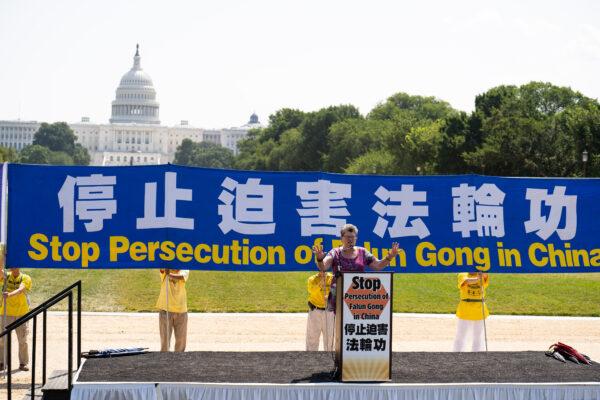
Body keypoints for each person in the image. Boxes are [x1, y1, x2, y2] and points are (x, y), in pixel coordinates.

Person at [312, 223, 399, 311]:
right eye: (347, 236)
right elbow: (323, 267)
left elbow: (378, 266)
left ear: (356, 238)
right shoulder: (335, 252)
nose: (350, 239)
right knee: (336, 323)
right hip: (337, 295)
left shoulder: (363, 252)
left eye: (353, 237)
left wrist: (390, 256)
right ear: (341, 238)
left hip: (358, 296)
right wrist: (319, 259)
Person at [0, 267, 32, 371]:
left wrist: (9, 295)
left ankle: (23, 363)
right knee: (2, 339)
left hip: (21, 313)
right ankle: (2, 362)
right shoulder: (5, 276)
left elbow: (20, 290)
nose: (13, 267)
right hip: (6, 313)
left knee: (22, 339)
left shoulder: (25, 278)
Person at [452, 272, 489, 352]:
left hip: (479, 309)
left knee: (478, 335)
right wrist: (477, 278)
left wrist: (483, 274)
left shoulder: (482, 275)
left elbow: (486, 279)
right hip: (465, 309)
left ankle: (477, 354)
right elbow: (466, 281)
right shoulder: (462, 275)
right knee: (461, 335)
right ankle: (457, 353)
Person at [156, 269, 189, 352]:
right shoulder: (165, 268)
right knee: (165, 342)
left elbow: (181, 277)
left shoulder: (185, 267)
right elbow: (162, 270)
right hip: (165, 309)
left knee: (181, 342)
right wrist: (167, 271)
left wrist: (169, 274)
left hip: (181, 309)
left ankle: (179, 362)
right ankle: (164, 361)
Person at [306, 271, 334, 351]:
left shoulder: (332, 278)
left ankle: (329, 358)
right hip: (315, 310)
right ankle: (310, 358)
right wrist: (321, 283)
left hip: (329, 311)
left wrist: (330, 297)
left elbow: (336, 291)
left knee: (330, 338)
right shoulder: (312, 279)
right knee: (312, 337)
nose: (322, 271)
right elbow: (311, 291)